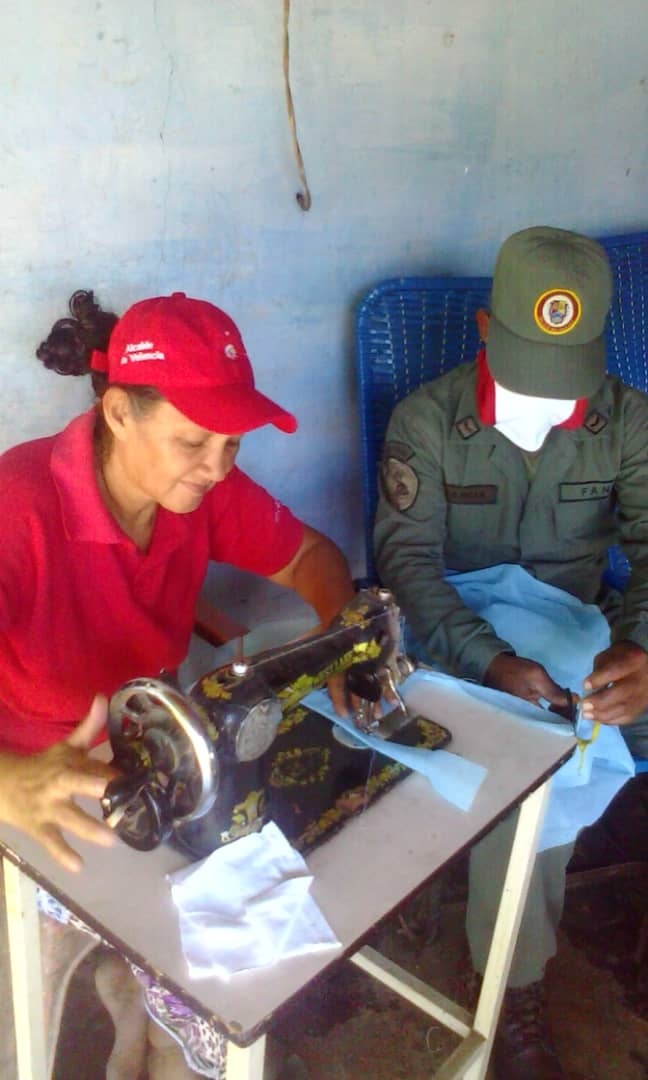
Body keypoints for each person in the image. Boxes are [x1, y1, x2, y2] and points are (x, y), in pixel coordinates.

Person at [0, 288, 356, 1079]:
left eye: (233, 444)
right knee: (16, 1025)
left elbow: (311, 558)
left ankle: (144, 1020)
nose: (217, 467)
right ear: (119, 413)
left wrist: (342, 640)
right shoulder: (16, 507)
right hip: (31, 789)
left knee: (217, 985)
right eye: (194, 440)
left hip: (150, 762)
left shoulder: (202, 491)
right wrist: (9, 782)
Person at [374, 226, 648, 1080]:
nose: (550, 403)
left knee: (577, 719)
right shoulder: (427, 420)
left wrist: (642, 647)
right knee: (532, 759)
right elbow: (407, 566)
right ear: (487, 329)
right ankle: (512, 981)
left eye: (567, 376)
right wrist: (488, 659)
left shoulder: (626, 418)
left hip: (579, 623)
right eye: (532, 371)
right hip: (457, 630)